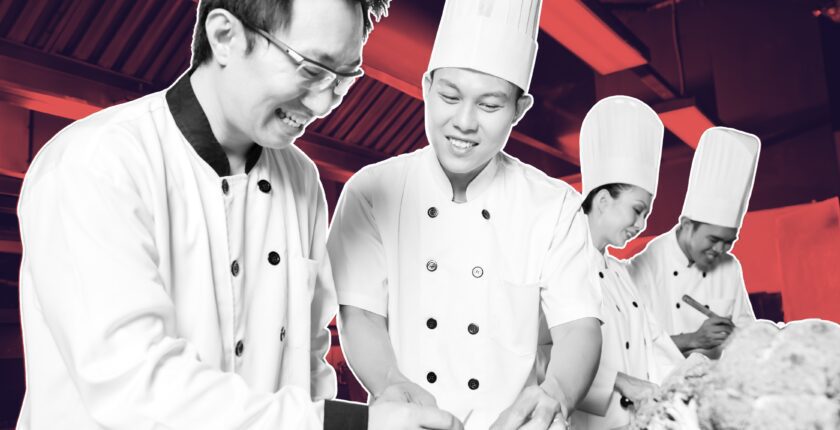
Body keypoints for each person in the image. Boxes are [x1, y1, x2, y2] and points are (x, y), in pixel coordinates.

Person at [16, 0, 462, 429]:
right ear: (225, 36)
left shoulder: (300, 179)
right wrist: (350, 427)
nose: (324, 103)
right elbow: (134, 387)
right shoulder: (97, 163)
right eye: (311, 69)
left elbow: (308, 362)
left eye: (343, 79)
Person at [327, 0, 602, 428]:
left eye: (490, 105)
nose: (463, 122)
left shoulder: (554, 206)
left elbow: (577, 327)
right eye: (449, 96)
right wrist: (389, 383)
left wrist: (556, 394)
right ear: (426, 86)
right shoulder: (372, 190)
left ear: (519, 110)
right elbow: (360, 312)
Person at [568, 96, 684, 429]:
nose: (643, 224)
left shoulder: (619, 274)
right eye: (637, 209)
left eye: (646, 213)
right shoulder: (558, 263)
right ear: (603, 200)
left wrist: (691, 375)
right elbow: (539, 355)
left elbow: (654, 343)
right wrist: (621, 382)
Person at [628, 127, 761, 358]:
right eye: (714, 239)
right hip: (664, 387)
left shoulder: (730, 266)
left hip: (720, 385)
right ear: (687, 225)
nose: (721, 250)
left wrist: (745, 336)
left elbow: (747, 329)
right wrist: (693, 339)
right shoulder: (645, 265)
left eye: (729, 241)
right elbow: (631, 344)